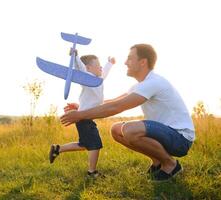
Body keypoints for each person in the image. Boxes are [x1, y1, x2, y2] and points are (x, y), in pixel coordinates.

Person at [60, 44, 195, 181]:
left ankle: (171, 165)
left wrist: (80, 115)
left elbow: (116, 107)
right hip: (165, 134)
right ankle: (157, 162)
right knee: (116, 130)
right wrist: (82, 107)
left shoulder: (153, 83)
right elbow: (110, 102)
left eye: (130, 59)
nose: (125, 62)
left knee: (129, 129)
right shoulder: (139, 86)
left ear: (143, 62)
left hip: (180, 138)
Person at [49, 48, 116, 178]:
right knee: (95, 144)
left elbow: (105, 73)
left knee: (84, 144)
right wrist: (75, 55)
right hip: (83, 118)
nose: (101, 67)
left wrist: (110, 63)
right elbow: (79, 68)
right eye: (98, 65)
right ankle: (91, 173)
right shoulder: (87, 78)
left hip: (86, 117)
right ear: (89, 68)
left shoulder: (98, 80)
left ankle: (57, 149)